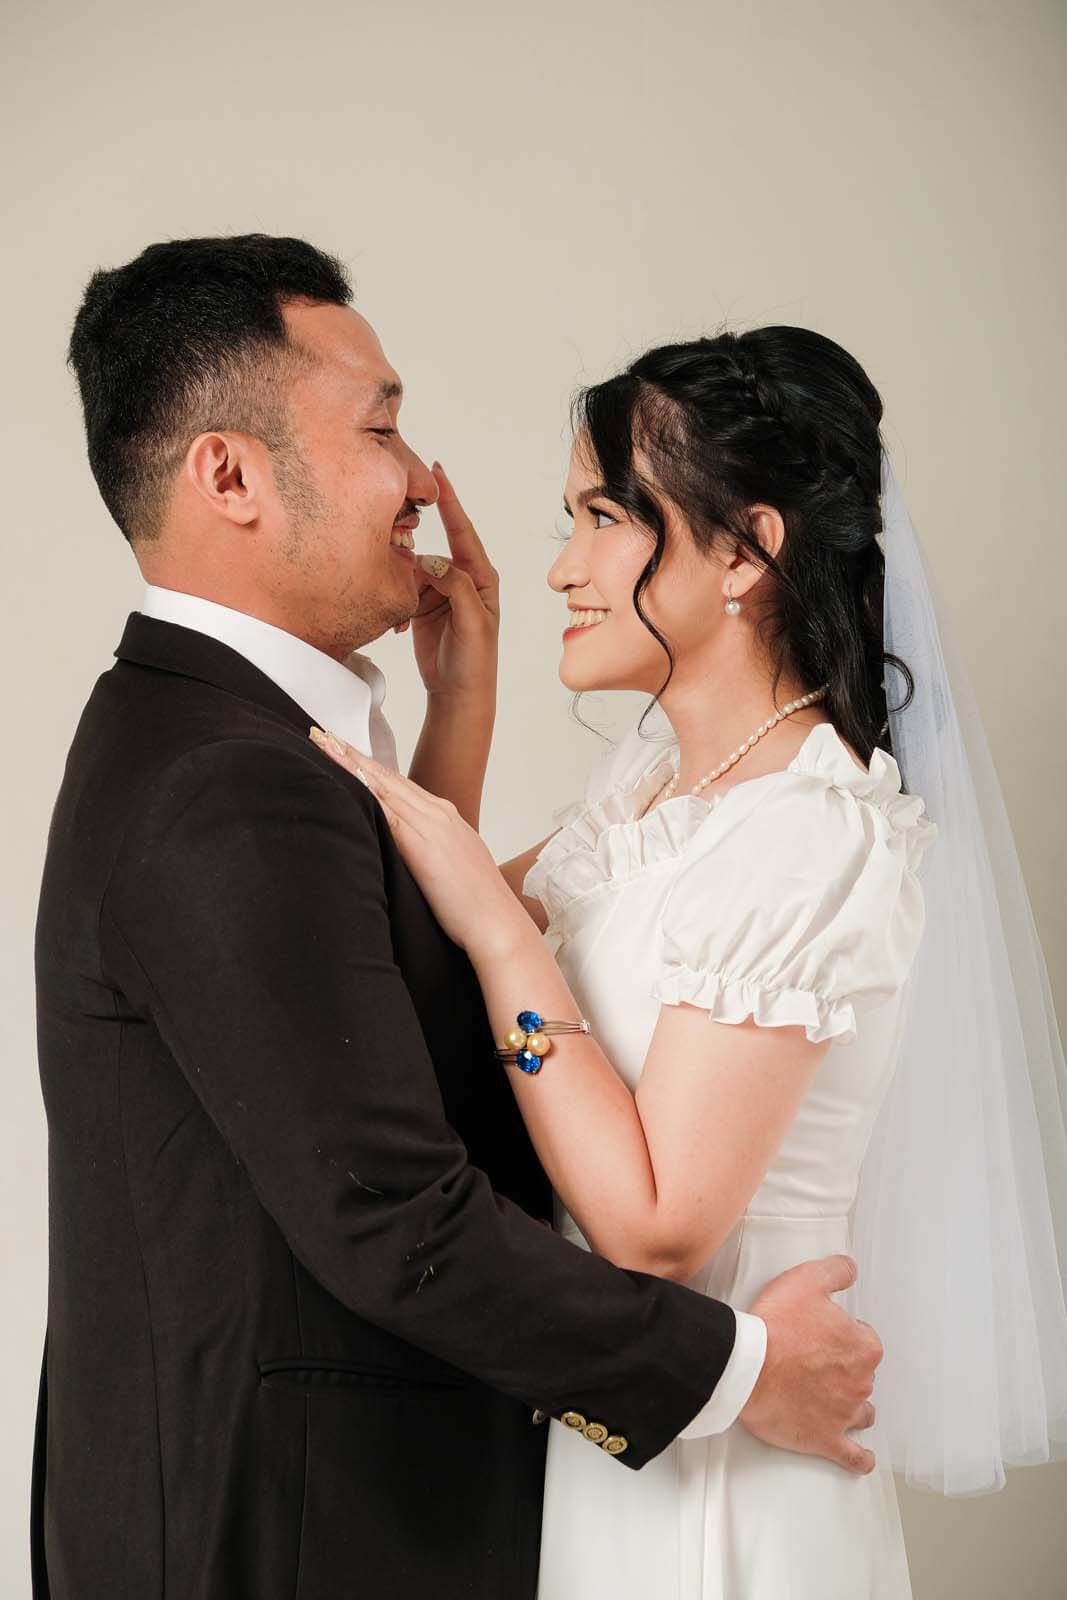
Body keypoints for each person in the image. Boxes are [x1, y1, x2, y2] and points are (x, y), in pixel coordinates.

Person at [32, 240, 883, 1600]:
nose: (424, 480)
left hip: (429, 1502)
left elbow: (388, 1012)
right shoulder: (229, 781)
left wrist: (459, 722)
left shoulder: (209, 732)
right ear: (229, 477)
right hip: (285, 1532)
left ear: (745, 552)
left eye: (603, 515)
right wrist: (737, 1374)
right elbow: (395, 1214)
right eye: (380, 428)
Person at [314, 325, 1067, 1596]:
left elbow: (655, 1225)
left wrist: (504, 929)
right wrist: (463, 704)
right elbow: (434, 975)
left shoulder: (813, 829)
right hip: (635, 1430)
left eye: (605, 516)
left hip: (731, 1492)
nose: (561, 566)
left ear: (743, 550)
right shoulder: (658, 789)